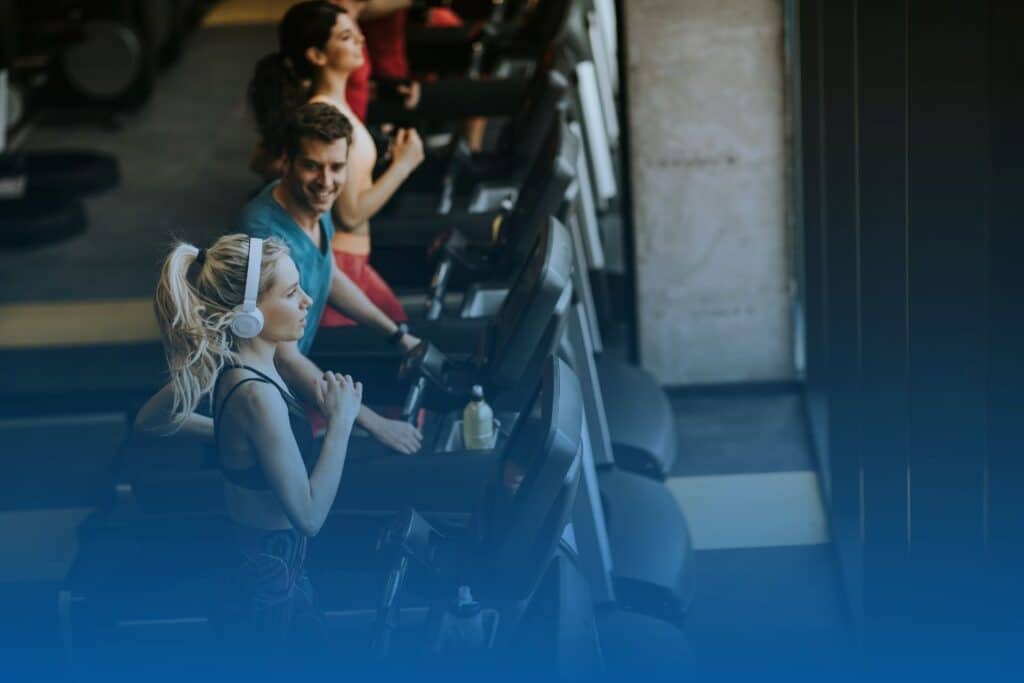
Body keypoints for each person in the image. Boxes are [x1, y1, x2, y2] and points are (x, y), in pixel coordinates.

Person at [136, 102, 422, 455]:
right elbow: (286, 359)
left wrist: (397, 335)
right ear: (286, 161)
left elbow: (327, 273)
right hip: (264, 393)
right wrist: (373, 422)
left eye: (337, 167)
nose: (327, 182)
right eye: (312, 166)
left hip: (287, 375)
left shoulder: (313, 206)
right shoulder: (262, 232)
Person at [151, 233, 360, 668]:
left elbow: (150, 419)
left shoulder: (232, 363)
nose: (306, 301)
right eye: (290, 293)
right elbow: (309, 516)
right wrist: (340, 423)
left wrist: (232, 440)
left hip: (261, 570)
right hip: (270, 593)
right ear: (247, 316)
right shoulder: (256, 396)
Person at [248, 0, 424, 329]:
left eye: (356, 32)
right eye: (345, 36)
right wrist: (404, 164)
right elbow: (350, 213)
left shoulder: (334, 108)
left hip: (353, 260)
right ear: (316, 56)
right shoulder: (324, 115)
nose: (360, 39)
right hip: (342, 261)